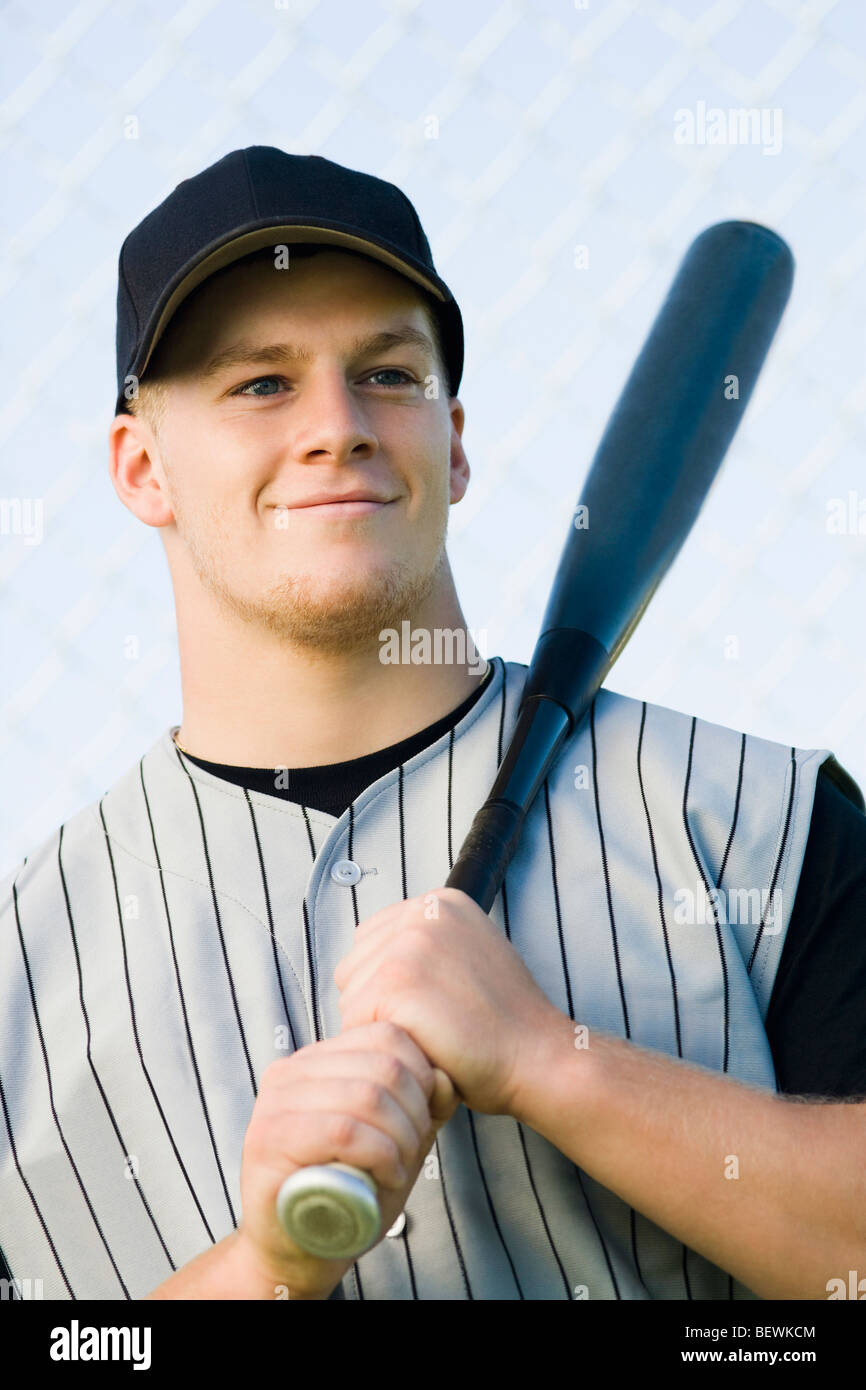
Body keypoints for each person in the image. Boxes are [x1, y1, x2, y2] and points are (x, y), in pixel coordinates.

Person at [1, 146, 865, 1303]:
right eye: (260, 383)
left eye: (387, 374)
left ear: (451, 442)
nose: (337, 425)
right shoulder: (21, 971)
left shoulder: (753, 820)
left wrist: (550, 1064)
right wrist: (265, 1267)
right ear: (141, 467)